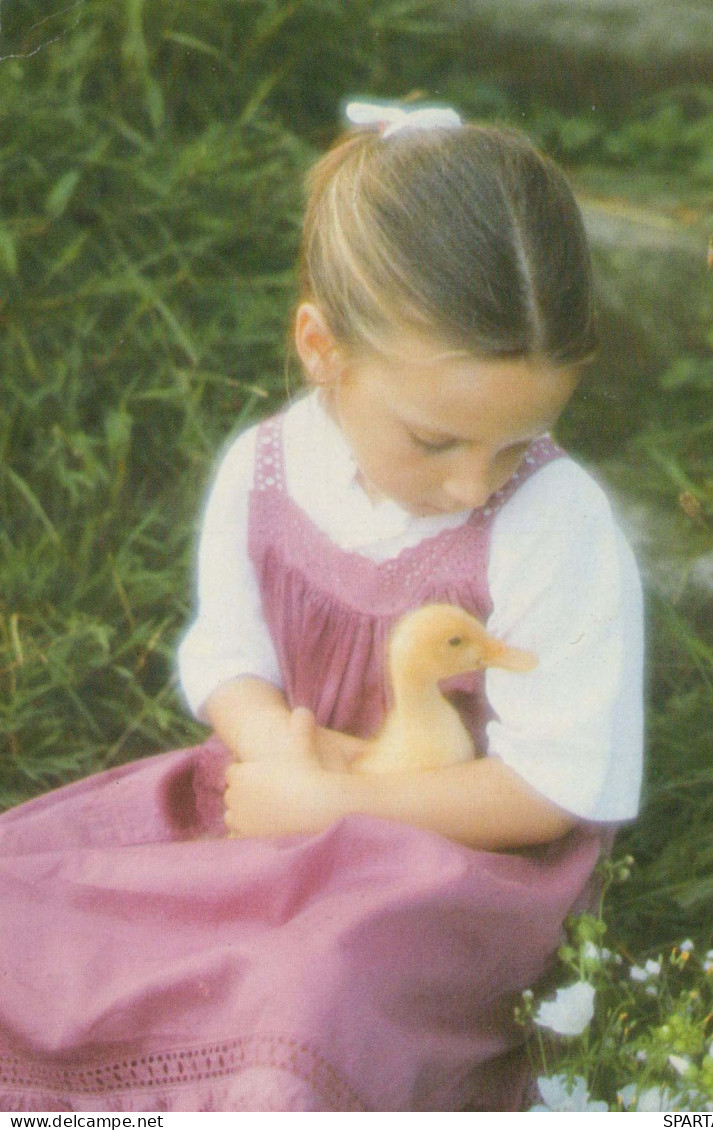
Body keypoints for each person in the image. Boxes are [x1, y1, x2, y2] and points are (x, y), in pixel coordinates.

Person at [0, 102, 643, 1112]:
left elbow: (547, 792)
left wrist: (336, 803)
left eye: (515, 442)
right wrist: (276, 749)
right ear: (321, 347)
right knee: (39, 909)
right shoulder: (264, 472)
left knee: (307, 991)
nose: (479, 485)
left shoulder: (558, 524)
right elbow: (229, 656)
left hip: (452, 864)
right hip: (283, 790)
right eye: (437, 442)